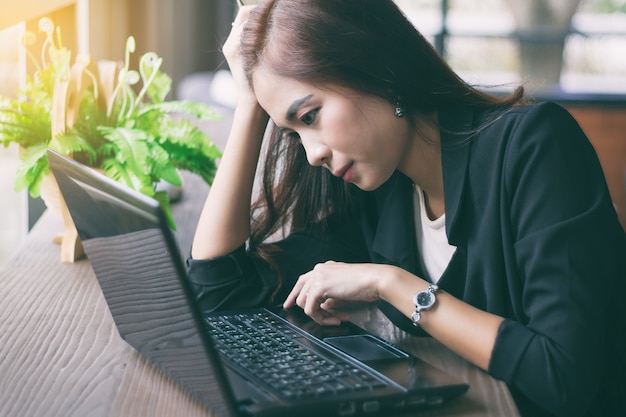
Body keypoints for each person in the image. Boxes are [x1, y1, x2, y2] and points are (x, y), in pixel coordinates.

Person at [188, 1, 626, 416]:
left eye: (310, 117)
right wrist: (249, 105)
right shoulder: (380, 195)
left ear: (378, 69)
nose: (311, 154)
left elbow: (564, 379)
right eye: (292, 133)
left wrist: (392, 283)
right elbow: (220, 294)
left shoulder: (536, 147)